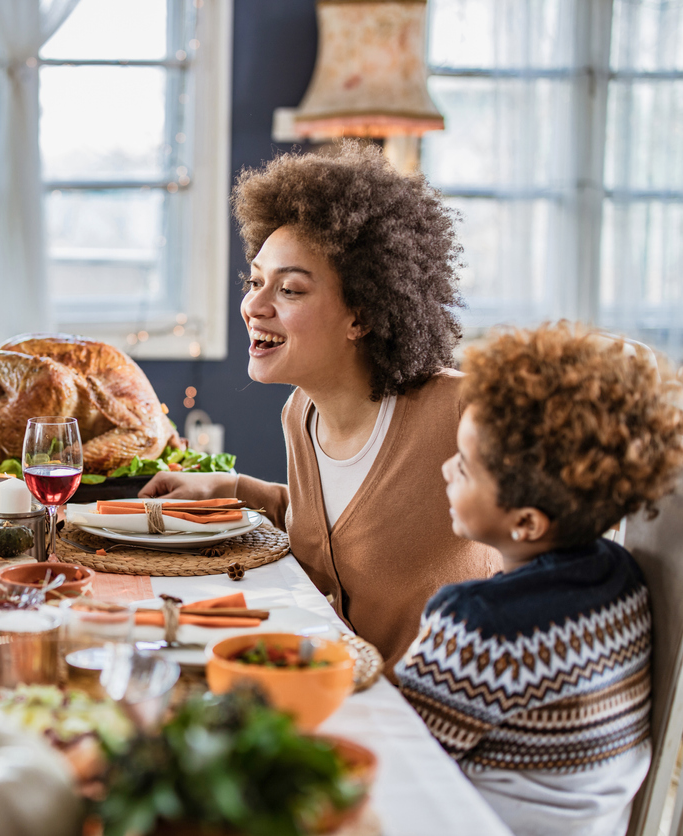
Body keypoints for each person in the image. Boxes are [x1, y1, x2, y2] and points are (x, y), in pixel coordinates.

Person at [141, 142, 499, 673]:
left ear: (363, 315)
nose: (254, 307)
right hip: (340, 691)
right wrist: (235, 489)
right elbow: (334, 529)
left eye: (289, 289)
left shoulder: (459, 412)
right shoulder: (301, 415)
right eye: (254, 281)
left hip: (435, 722)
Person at [395, 324, 683, 836]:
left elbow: (398, 760)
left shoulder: (479, 625)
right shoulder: (621, 579)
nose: (446, 469)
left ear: (526, 522)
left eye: (466, 467)